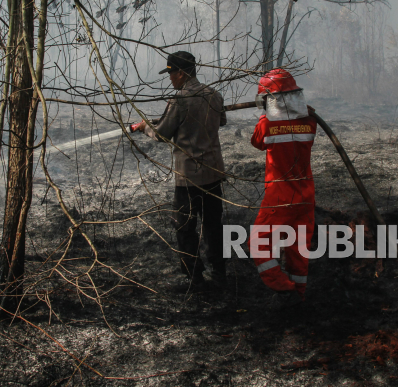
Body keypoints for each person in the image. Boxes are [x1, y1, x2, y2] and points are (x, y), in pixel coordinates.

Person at [131, 51, 227, 291]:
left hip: (189, 177)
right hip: (214, 174)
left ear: (182, 73)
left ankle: (194, 276)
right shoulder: (214, 95)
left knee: (185, 226)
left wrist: (144, 126)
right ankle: (220, 272)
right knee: (214, 225)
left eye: (171, 73)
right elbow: (221, 121)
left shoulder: (179, 100)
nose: (170, 78)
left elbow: (162, 133)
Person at [248, 69, 316, 300]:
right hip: (306, 194)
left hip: (280, 194)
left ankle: (281, 284)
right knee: (298, 249)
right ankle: (299, 293)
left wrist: (264, 116)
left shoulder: (267, 125)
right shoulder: (310, 121)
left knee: (257, 242)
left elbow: (257, 142)